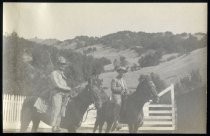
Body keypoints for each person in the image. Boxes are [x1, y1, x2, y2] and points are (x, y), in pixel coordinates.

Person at [50, 56, 72, 132]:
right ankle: (53, 126)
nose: (63, 66)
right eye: (61, 64)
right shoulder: (54, 73)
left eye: (64, 64)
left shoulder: (63, 74)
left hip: (64, 95)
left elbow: (65, 84)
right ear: (58, 64)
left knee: (62, 110)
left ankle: (58, 125)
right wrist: (68, 88)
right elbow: (57, 85)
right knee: (57, 109)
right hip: (56, 93)